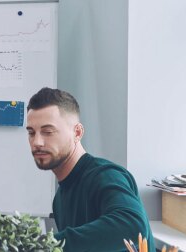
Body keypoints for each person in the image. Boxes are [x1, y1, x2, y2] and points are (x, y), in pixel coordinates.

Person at [25, 87, 154, 251]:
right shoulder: (59, 200)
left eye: (48, 132)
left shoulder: (106, 175)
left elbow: (133, 225)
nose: (37, 142)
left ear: (77, 132)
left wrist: (44, 246)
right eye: (31, 133)